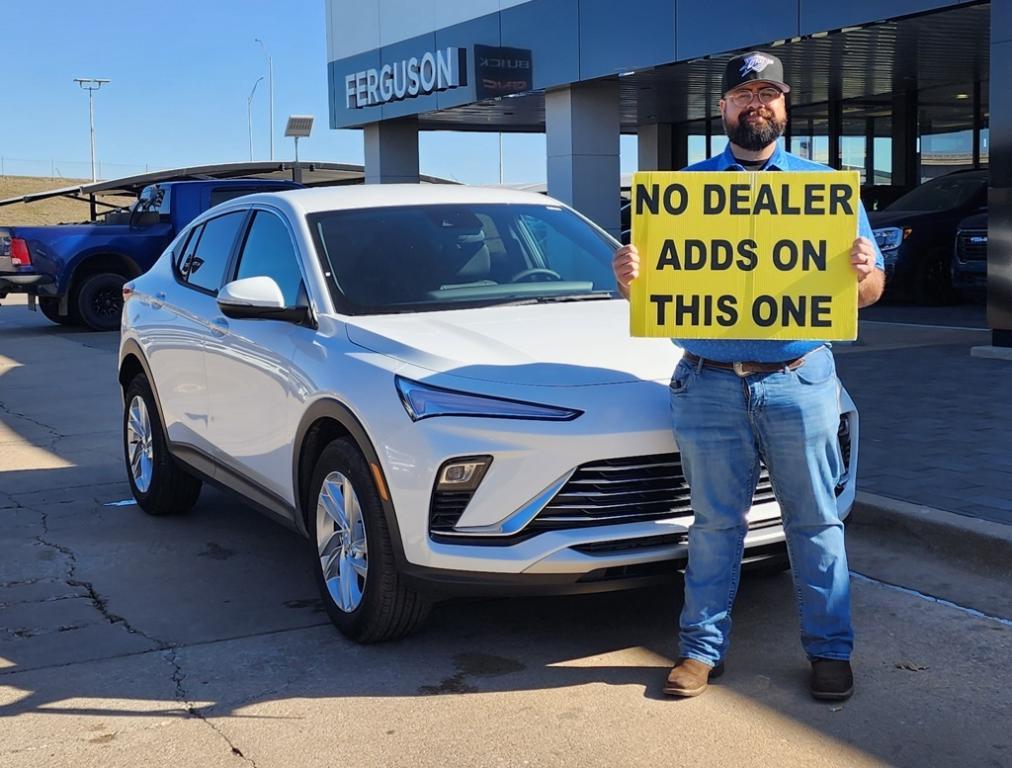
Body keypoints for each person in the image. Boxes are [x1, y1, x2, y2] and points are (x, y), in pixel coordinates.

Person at [612, 51, 885, 701]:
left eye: (769, 93)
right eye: (744, 94)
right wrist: (630, 279)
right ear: (725, 108)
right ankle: (702, 651)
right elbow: (652, 294)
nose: (756, 103)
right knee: (713, 524)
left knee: (816, 522)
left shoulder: (823, 192)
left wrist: (863, 270)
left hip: (799, 376)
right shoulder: (684, 192)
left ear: (784, 108)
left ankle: (830, 651)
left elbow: (870, 292)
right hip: (707, 381)